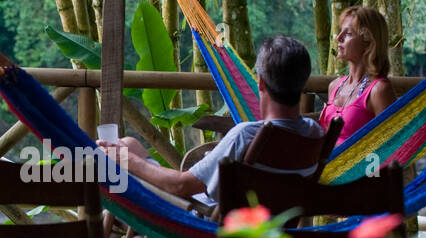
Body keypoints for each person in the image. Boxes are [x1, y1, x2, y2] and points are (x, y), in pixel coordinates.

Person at [99, 35, 322, 206]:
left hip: (200, 222)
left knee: (112, 162)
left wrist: (128, 161)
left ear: (261, 83)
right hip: (268, 230)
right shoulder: (314, 133)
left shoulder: (246, 135)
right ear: (303, 84)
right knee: (129, 144)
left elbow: (180, 186)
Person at [319, 6, 396, 142]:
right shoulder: (335, 86)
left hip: (363, 162)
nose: (339, 38)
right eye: (340, 31)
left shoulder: (378, 90)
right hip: (328, 162)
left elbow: (391, 146)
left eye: (348, 33)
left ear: (368, 42)